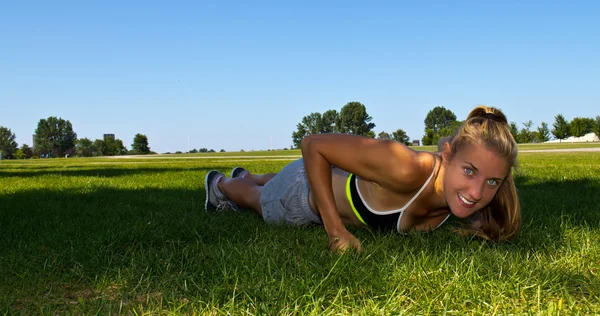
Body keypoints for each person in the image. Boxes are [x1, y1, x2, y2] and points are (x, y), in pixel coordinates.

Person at [204, 106, 521, 252]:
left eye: (493, 181)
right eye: (470, 171)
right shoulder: (407, 167)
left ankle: (251, 175)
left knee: (272, 181)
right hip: (302, 195)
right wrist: (336, 232)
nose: (477, 191)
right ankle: (222, 184)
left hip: (328, 175)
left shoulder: (465, 193)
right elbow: (313, 144)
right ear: (448, 155)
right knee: (254, 200)